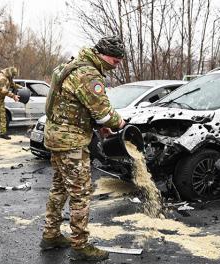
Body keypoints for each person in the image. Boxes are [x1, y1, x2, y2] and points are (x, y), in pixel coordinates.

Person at [39, 36, 126, 261]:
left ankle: (51, 235)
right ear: (102, 53)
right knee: (81, 193)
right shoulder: (88, 74)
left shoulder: (70, 66)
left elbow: (74, 105)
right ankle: (80, 247)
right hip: (71, 143)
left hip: (55, 137)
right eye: (115, 60)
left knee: (59, 188)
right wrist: (118, 123)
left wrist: (99, 127)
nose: (116, 65)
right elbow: (104, 113)